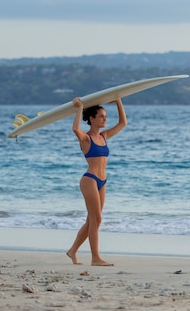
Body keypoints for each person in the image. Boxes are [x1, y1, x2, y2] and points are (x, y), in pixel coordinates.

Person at [66, 97, 127, 266]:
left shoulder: (104, 136)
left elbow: (123, 123)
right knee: (96, 219)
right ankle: (95, 258)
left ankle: (72, 251)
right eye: (101, 116)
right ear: (92, 119)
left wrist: (118, 101)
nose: (105, 119)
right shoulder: (86, 138)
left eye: (105, 116)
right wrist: (81, 107)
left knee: (92, 220)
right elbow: (74, 128)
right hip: (90, 180)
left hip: (102, 180)